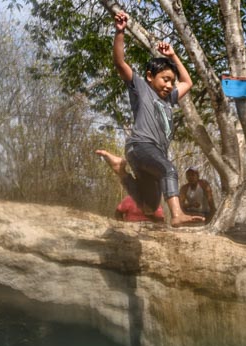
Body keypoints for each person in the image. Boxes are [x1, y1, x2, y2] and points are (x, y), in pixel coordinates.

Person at [94, 11, 204, 227]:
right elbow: (119, 63)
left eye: (172, 81)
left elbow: (188, 82)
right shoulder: (141, 89)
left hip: (150, 156)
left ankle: (121, 171)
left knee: (149, 207)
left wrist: (173, 56)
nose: (170, 85)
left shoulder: (169, 98)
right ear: (150, 77)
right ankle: (178, 214)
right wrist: (120, 32)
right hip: (142, 145)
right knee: (169, 170)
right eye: (165, 79)